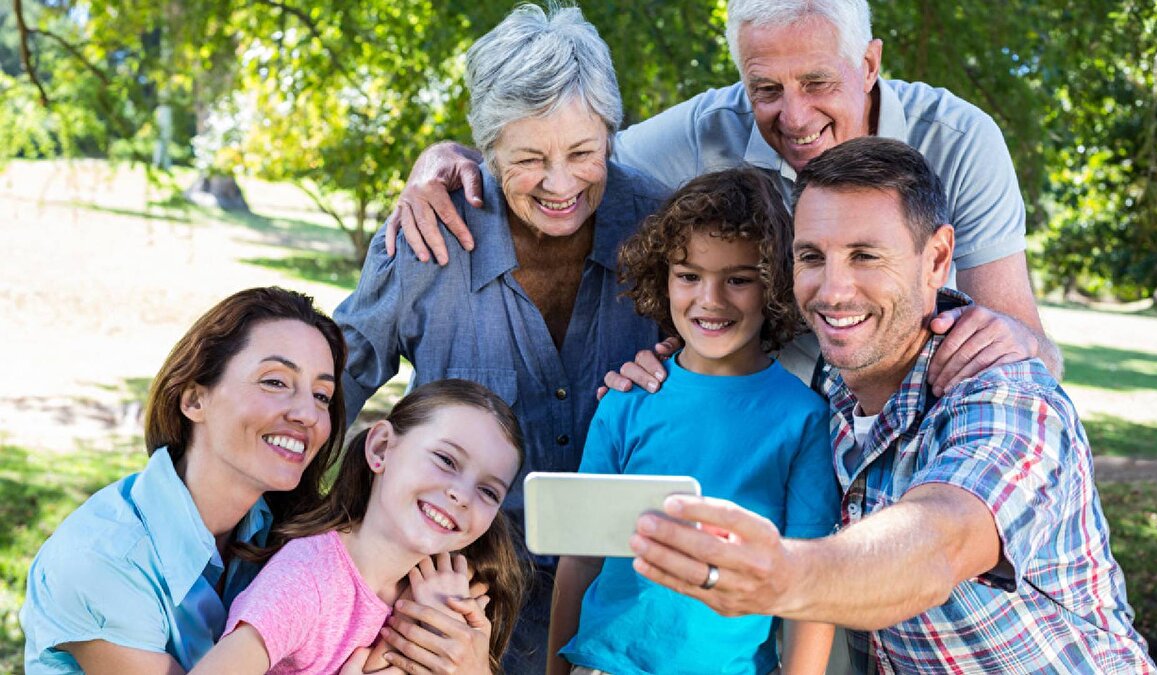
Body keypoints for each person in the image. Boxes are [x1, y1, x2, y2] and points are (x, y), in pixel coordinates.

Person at [628, 137, 1157, 674]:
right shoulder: (827, 386)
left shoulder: (1007, 398)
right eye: (812, 257)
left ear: (937, 259)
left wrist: (785, 575)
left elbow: (937, 544)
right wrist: (667, 372)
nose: (833, 291)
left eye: (865, 256)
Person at [386, 0, 1058, 394]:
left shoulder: (959, 141)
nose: (793, 116)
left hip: (910, 410)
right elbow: (569, 155)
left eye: (817, 82)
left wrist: (1013, 347)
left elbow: (1029, 349)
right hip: (761, 417)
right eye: (765, 89)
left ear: (869, 64)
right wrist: (451, 160)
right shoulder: (707, 130)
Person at [332, 5, 669, 671]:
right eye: (529, 159)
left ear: (610, 136)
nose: (560, 184)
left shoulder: (664, 230)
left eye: (583, 153)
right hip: (451, 608)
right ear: (487, 150)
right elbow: (334, 383)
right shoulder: (426, 238)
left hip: (627, 616)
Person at [20, 288, 491, 675]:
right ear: (194, 399)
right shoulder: (100, 562)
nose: (307, 414)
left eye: (322, 395)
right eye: (275, 382)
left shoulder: (303, 534)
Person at [548, 168, 838, 675]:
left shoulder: (803, 419)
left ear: (775, 285)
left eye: (738, 280)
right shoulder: (626, 402)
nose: (710, 300)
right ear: (664, 278)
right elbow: (581, 557)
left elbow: (809, 587)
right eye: (689, 276)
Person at [189, 379, 527, 674]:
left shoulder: (454, 599)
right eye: (446, 460)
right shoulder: (309, 581)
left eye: (488, 491)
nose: (462, 495)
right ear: (381, 448)